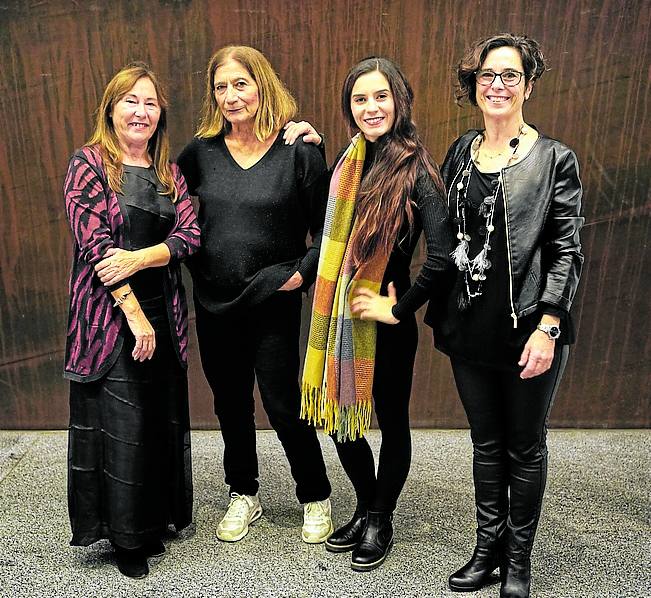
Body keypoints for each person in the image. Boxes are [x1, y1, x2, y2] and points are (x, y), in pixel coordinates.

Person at [426, 34, 584, 598]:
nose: (497, 85)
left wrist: (550, 325)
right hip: (470, 324)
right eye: (488, 76)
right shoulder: (460, 151)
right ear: (474, 86)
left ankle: (518, 562)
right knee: (485, 443)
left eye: (509, 76)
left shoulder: (553, 159)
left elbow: (566, 249)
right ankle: (487, 549)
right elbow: (441, 227)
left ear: (528, 85)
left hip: (529, 329)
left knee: (524, 444)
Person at [300, 57, 453, 571]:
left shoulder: (416, 170)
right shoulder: (346, 164)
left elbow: (444, 256)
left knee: (390, 422)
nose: (371, 107)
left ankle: (381, 517)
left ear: (400, 100)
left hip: (387, 329)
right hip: (341, 323)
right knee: (343, 422)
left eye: (380, 96)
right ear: (350, 107)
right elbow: (319, 225)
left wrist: (399, 308)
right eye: (360, 98)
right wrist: (305, 139)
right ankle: (367, 503)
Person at [177, 46, 333, 545]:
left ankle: (315, 495)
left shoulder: (299, 151)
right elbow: (165, 195)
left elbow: (328, 227)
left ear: (262, 85)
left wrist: (301, 275)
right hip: (215, 299)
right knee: (230, 402)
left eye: (240, 84)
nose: (230, 96)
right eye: (221, 87)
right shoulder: (199, 152)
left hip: (272, 296)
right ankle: (244, 492)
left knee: (283, 403)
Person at [64, 63, 200, 578]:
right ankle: (124, 539)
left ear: (160, 113)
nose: (140, 111)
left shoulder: (168, 170)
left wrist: (141, 258)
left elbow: (190, 237)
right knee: (123, 426)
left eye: (150, 103)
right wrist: (136, 317)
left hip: (165, 312)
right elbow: (97, 249)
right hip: (110, 317)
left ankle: (149, 521)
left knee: (156, 418)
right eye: (130, 101)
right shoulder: (90, 165)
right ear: (111, 108)